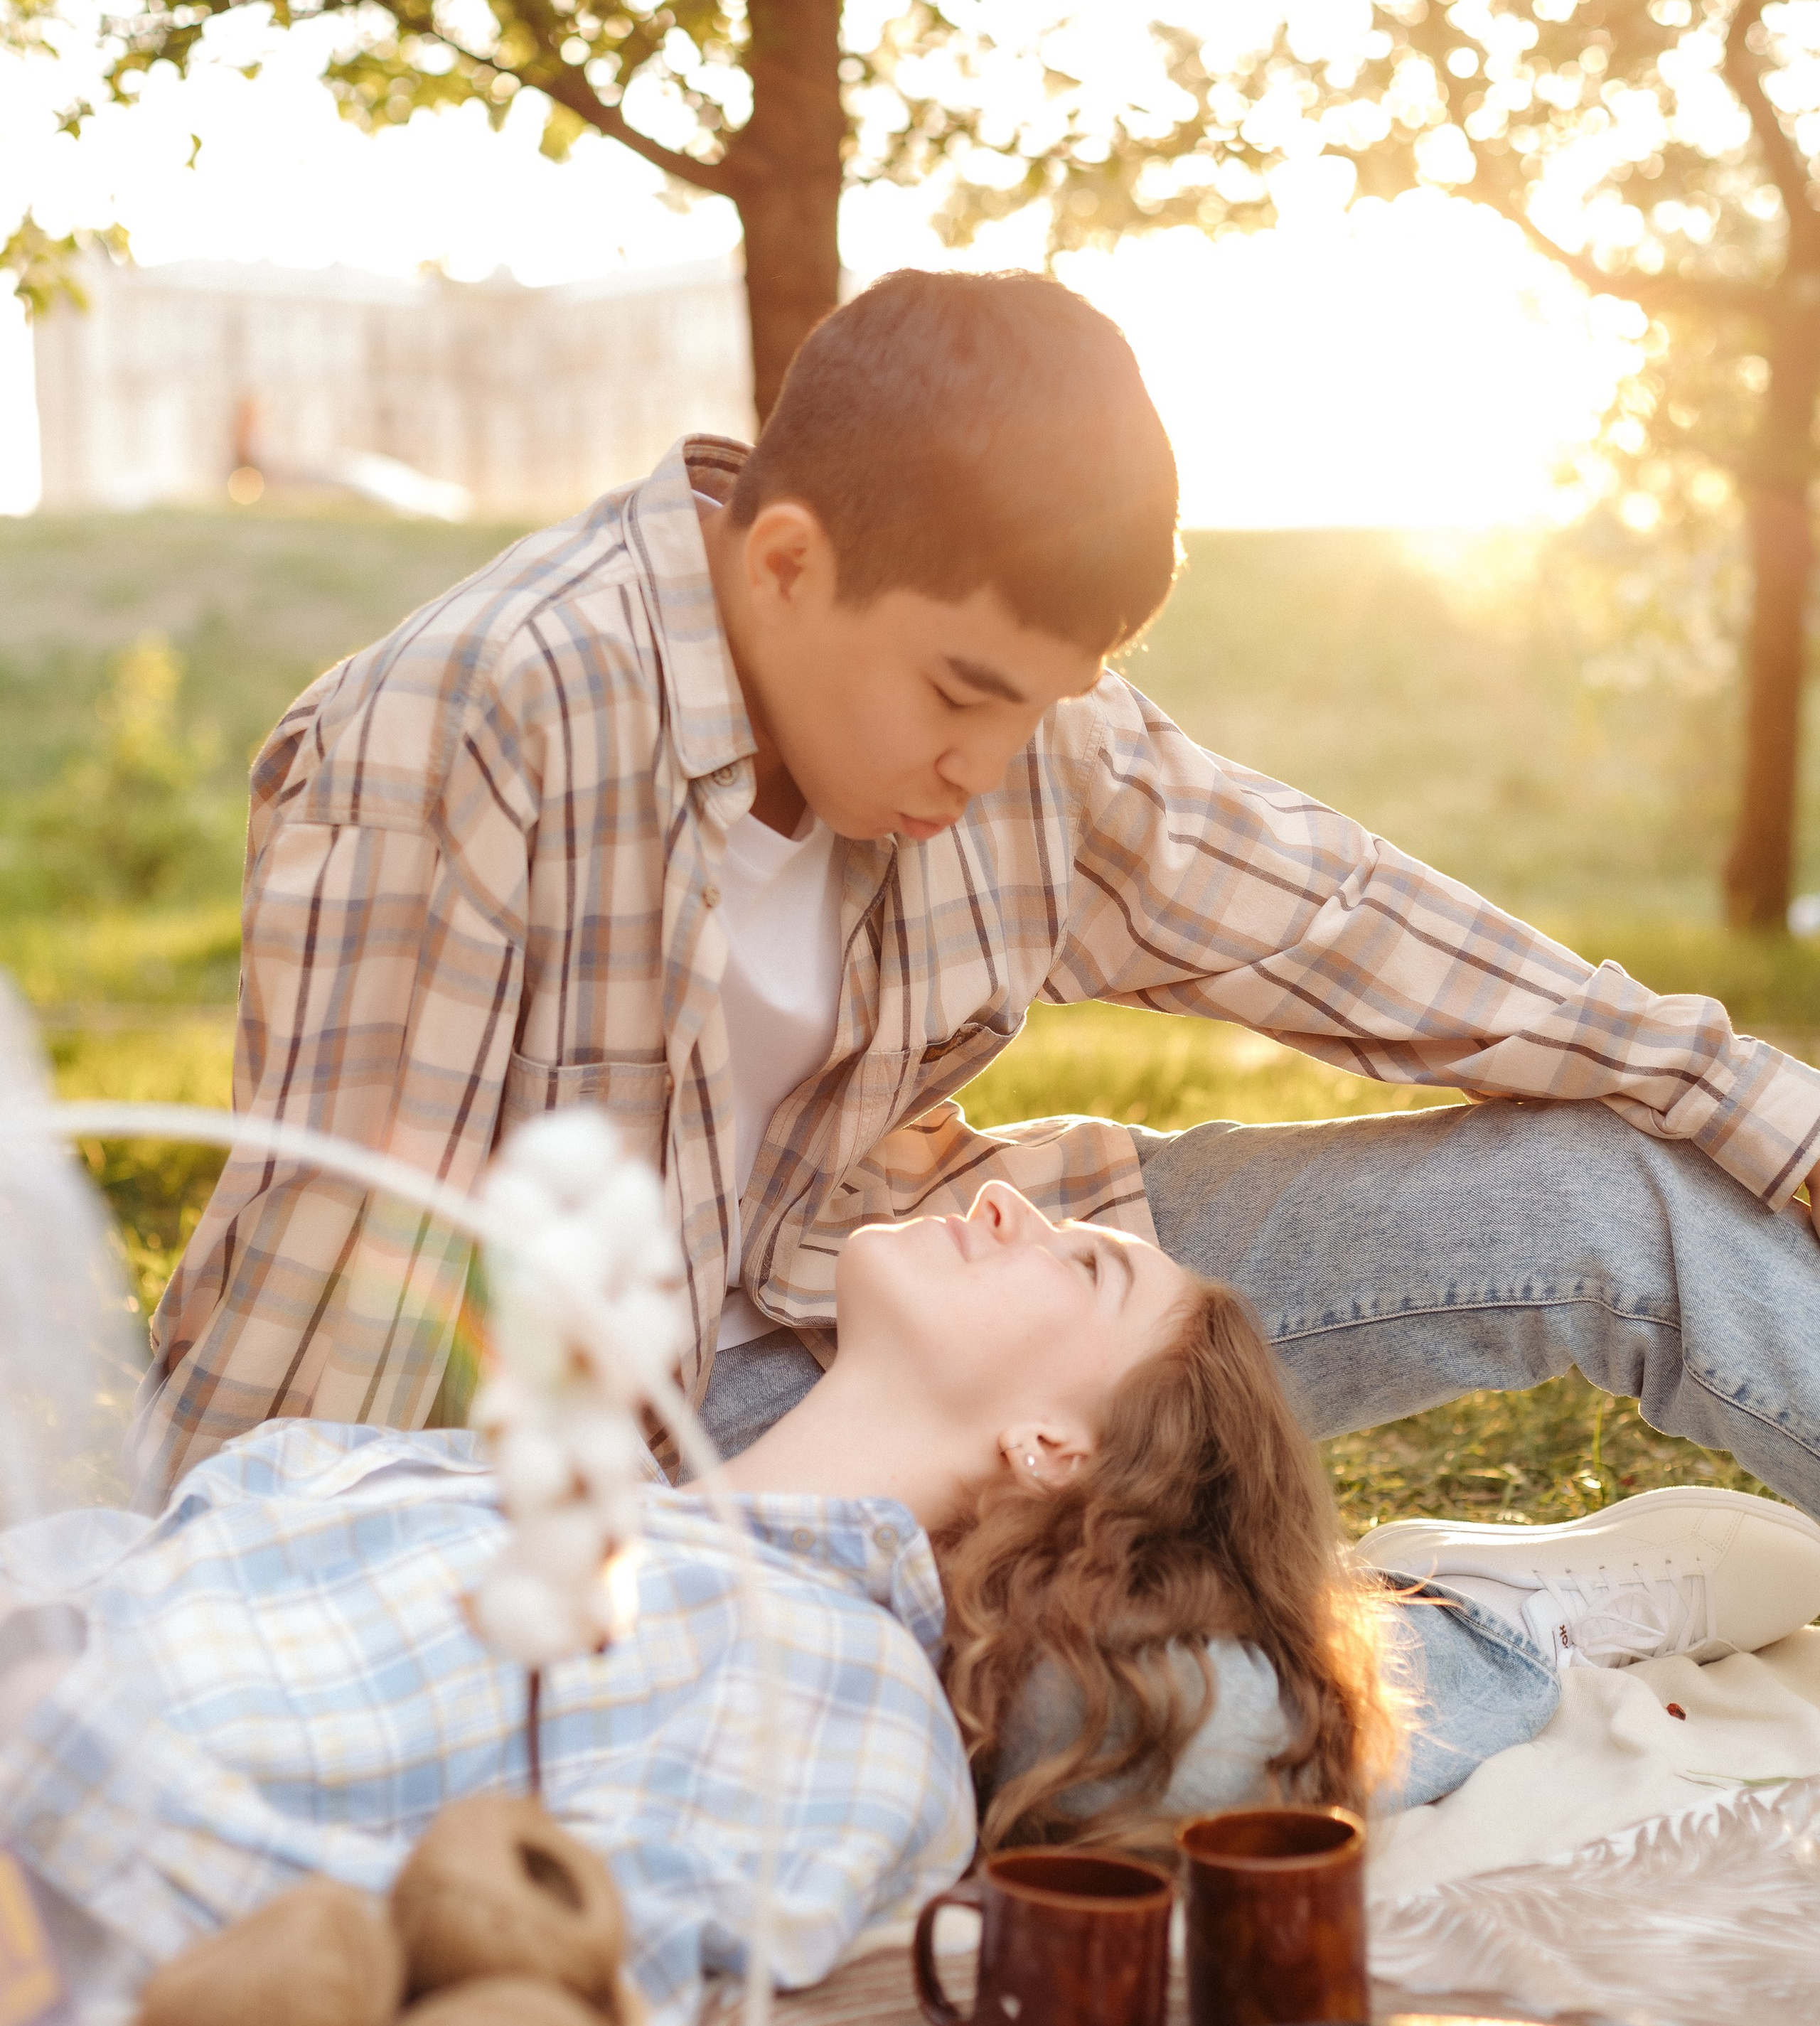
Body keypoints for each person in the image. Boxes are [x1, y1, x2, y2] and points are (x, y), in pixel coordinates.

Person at [134, 269, 1820, 1513]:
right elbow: (334, 1286)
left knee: (1615, 1198)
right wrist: (231, 1660)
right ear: (786, 562)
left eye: (1042, 703)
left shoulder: (1025, 736)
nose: (995, 762)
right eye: (961, 694)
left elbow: (1342, 921)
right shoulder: (483, 720)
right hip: (583, 1480)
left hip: (954, 1314)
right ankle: (1478, 1656)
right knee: (1125, 1727)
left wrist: (1760, 1108)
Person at [13, 1191, 1820, 2026]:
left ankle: (1495, 1638)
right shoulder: (471, 1478)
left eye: (1086, 1261)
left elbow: (515, 2016)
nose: (1008, 1192)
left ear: (1054, 1440)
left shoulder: (839, 1716)